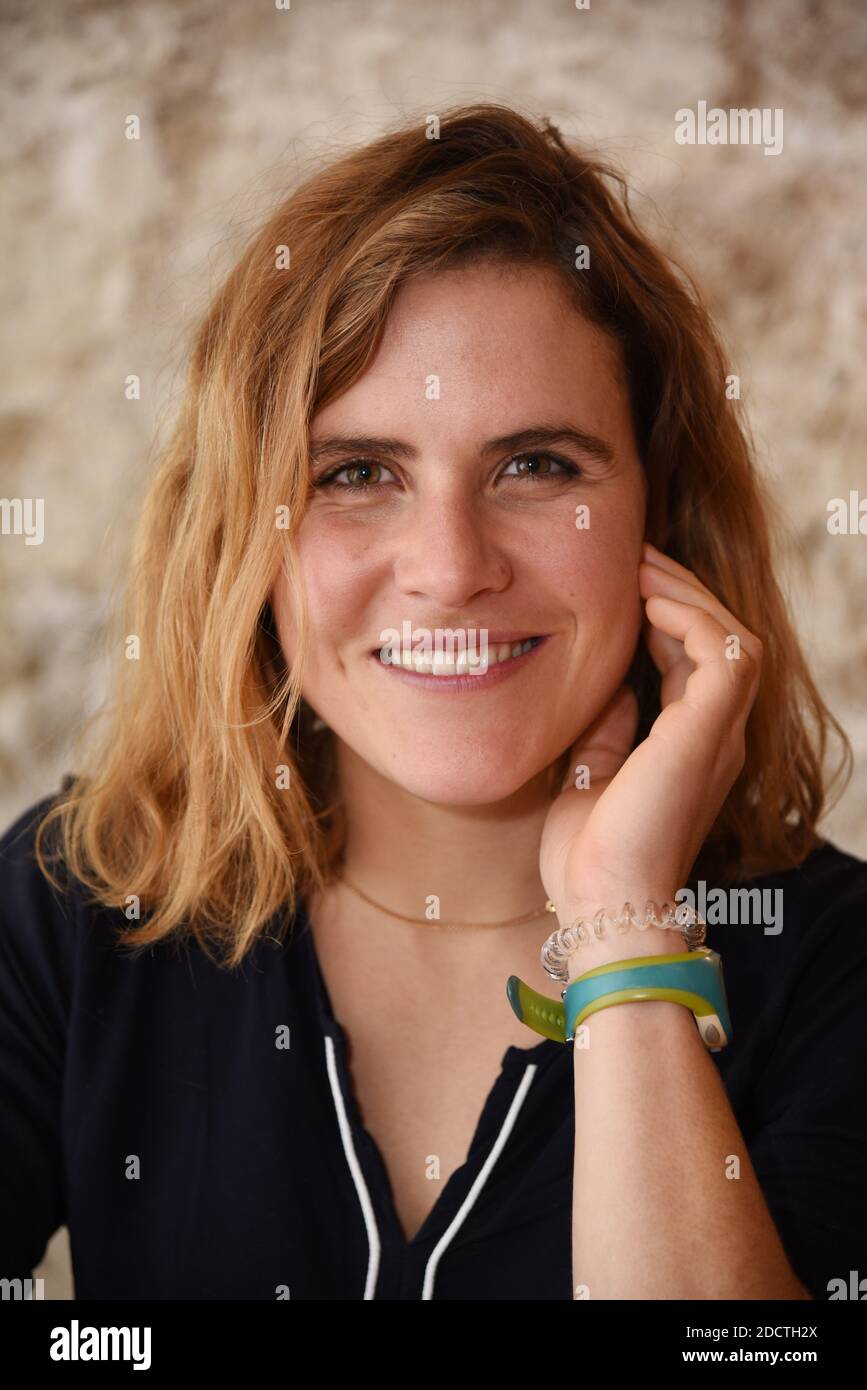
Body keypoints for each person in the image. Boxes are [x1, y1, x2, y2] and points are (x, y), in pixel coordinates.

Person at [1, 102, 866, 1302]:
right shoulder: (77, 901)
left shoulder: (834, 964)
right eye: (356, 473)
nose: (451, 565)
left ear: (656, 520)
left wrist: (622, 929)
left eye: (536, 465)